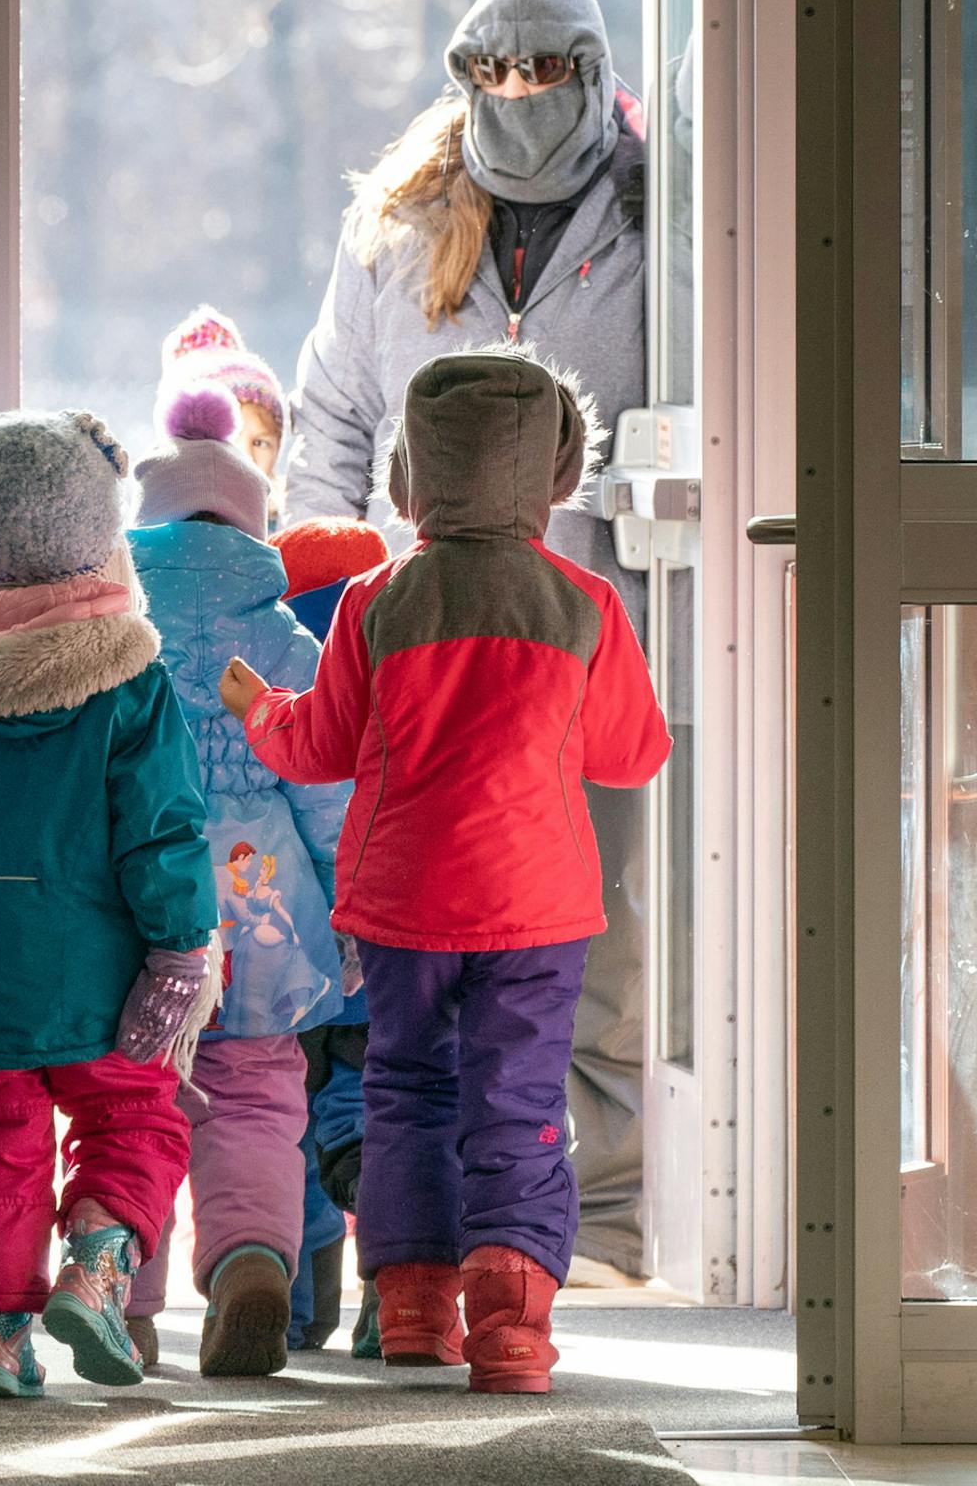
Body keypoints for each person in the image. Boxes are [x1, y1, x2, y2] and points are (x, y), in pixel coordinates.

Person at [287, 0, 654, 1277]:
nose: (518, 92)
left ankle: (601, 1222)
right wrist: (320, 579)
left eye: (546, 68)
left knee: (594, 930)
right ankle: (431, 1247)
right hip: (420, 632)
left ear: (592, 69)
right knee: (423, 958)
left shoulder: (657, 212)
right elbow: (333, 410)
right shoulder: (399, 216)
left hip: (578, 630)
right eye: (492, 70)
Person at [222, 348, 669, 1394]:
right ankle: (511, 1328)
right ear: (555, 477)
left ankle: (415, 1308)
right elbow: (634, 751)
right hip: (535, 905)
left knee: (407, 1089)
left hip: (404, 902)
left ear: (412, 478)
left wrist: (256, 707)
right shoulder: (586, 604)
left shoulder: (380, 598)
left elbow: (318, 745)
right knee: (516, 1101)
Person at [0, 407, 215, 1400]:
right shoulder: (129, 676)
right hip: (101, 973)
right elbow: (161, 826)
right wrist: (180, 946)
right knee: (137, 1114)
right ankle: (99, 1259)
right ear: (98, 524)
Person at [114, 385, 349, 1379]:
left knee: (130, 1100)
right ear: (259, 532)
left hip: (136, 907)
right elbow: (328, 785)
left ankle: (121, 1302)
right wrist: (344, 895)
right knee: (255, 1090)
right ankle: (252, 1260)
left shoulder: (116, 640)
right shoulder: (290, 642)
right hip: (259, 907)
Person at [269, 514, 388, 1356]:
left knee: (293, 1113)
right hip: (393, 947)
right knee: (386, 1103)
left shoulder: (276, 681)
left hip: (292, 945)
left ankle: (306, 1301)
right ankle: (396, 1283)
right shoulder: (402, 668)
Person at [158, 306, 291, 521]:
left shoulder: (287, 526)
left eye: (260, 443)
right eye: (231, 442)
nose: (247, 458)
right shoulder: (160, 527)